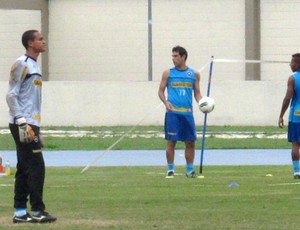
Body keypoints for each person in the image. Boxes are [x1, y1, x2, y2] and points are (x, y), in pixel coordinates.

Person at [6, 30, 57, 223]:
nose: (44, 41)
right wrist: (21, 121)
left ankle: (20, 212)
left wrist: (37, 129)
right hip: (22, 123)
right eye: (40, 39)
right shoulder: (22, 64)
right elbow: (11, 94)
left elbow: (31, 101)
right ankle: (37, 210)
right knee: (36, 166)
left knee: (25, 166)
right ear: (30, 43)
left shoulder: (34, 65)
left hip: (31, 124)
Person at [158, 45, 202, 178]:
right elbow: (160, 91)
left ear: (183, 57)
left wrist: (203, 104)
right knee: (171, 141)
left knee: (190, 142)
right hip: (173, 114)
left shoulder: (194, 74)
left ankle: (190, 170)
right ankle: (170, 170)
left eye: (176, 56)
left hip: (187, 113)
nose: (173, 58)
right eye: (172, 56)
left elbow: (197, 93)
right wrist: (166, 102)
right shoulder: (168, 73)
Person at [279, 53, 300, 179]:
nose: (290, 64)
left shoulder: (292, 79)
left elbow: (288, 98)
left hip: (296, 115)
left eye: (292, 62)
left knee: (296, 144)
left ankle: (297, 172)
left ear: (297, 65)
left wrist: (281, 115)